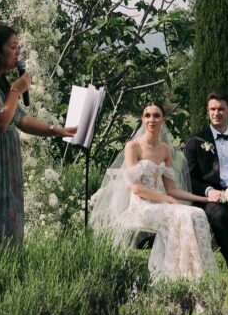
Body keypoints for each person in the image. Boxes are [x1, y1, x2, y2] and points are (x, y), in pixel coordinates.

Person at [0, 24, 76, 251]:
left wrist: (54, 129)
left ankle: (5, 271)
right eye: (13, 46)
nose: (18, 51)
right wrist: (16, 90)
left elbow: (19, 119)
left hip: (2, 160)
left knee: (3, 218)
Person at [89, 101, 217, 281]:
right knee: (179, 215)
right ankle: (173, 276)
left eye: (156, 115)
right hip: (141, 207)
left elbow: (172, 189)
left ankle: (198, 275)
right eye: (147, 115)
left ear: (163, 119)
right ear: (142, 119)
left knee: (196, 214)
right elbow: (136, 187)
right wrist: (166, 199)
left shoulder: (165, 149)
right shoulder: (133, 147)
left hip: (163, 205)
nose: (152, 119)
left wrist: (205, 199)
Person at [184, 90, 228, 264]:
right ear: (208, 111)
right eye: (212, 109)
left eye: (221, 109)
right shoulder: (195, 141)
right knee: (219, 216)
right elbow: (189, 179)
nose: (216, 114)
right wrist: (209, 191)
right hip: (212, 200)